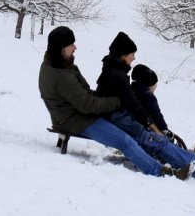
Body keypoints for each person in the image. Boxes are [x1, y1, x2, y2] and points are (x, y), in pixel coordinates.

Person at [37, 26, 172, 178]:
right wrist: (116, 101)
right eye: (71, 45)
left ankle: (165, 157)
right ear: (60, 48)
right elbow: (87, 105)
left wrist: (102, 96)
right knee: (125, 141)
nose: (75, 48)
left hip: (74, 115)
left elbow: (82, 95)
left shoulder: (58, 65)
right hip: (75, 120)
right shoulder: (61, 74)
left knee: (130, 130)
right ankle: (158, 171)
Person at [97, 32, 195, 181]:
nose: (133, 58)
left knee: (157, 139)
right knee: (155, 140)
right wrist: (151, 125)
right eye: (132, 54)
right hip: (119, 120)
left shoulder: (112, 70)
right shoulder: (117, 75)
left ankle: (191, 161)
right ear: (123, 55)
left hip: (118, 118)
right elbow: (133, 104)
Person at [131, 64, 195, 152]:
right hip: (145, 126)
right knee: (166, 137)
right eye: (155, 84)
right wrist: (164, 129)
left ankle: (180, 151)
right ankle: (181, 154)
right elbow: (156, 114)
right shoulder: (148, 96)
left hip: (139, 124)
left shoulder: (133, 89)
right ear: (150, 85)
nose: (156, 86)